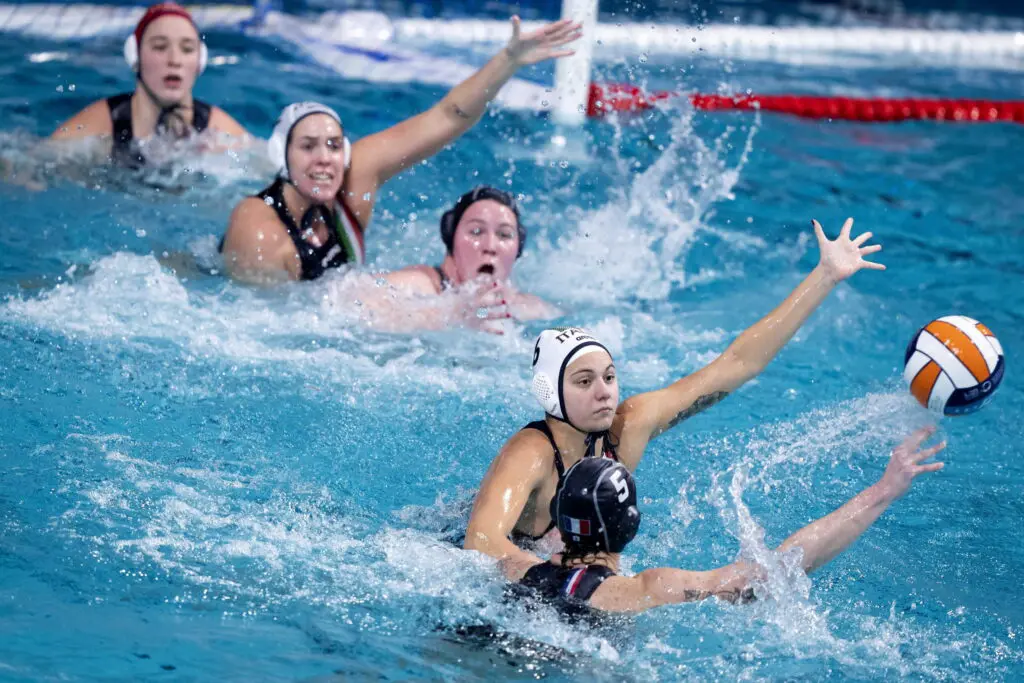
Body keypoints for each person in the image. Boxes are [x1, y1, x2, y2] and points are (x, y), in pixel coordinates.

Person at [463, 219, 885, 567]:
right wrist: (570, 581)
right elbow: (480, 543)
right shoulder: (531, 452)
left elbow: (735, 366)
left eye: (609, 377)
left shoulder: (628, 427)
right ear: (550, 393)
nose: (604, 392)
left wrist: (825, 276)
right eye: (584, 381)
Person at [218, 19, 582, 284]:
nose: (324, 158)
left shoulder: (354, 178)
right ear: (283, 158)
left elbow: (448, 115)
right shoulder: (260, 231)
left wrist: (510, 60)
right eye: (307, 147)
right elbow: (266, 326)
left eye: (332, 145)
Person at [501, 428, 944, 615]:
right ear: (631, 526)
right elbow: (780, 567)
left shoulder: (513, 564)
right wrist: (884, 490)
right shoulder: (646, 588)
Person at [50, 2, 249, 165]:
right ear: (135, 57)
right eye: (160, 47)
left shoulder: (223, 136)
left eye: (187, 49)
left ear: (200, 62)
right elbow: (34, 167)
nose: (175, 60)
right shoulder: (100, 128)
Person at [364, 186, 558, 332]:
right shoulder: (422, 284)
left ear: (518, 249)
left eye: (504, 235)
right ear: (451, 239)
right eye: (476, 231)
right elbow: (358, 305)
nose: (490, 246)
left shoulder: (524, 306)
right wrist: (455, 314)